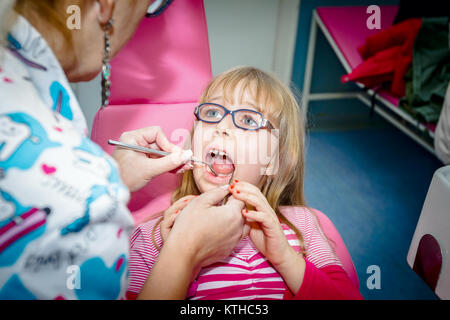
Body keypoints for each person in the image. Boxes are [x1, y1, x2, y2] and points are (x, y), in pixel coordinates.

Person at [0, 0, 247, 299]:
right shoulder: (119, 225)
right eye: (148, 9)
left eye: (247, 121)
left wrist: (113, 177)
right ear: (106, 5)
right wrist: (185, 251)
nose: (223, 128)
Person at [128, 66, 363, 300]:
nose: (222, 128)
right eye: (211, 114)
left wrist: (284, 257)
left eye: (249, 120)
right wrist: (185, 262)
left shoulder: (303, 225)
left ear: (274, 161)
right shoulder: (152, 238)